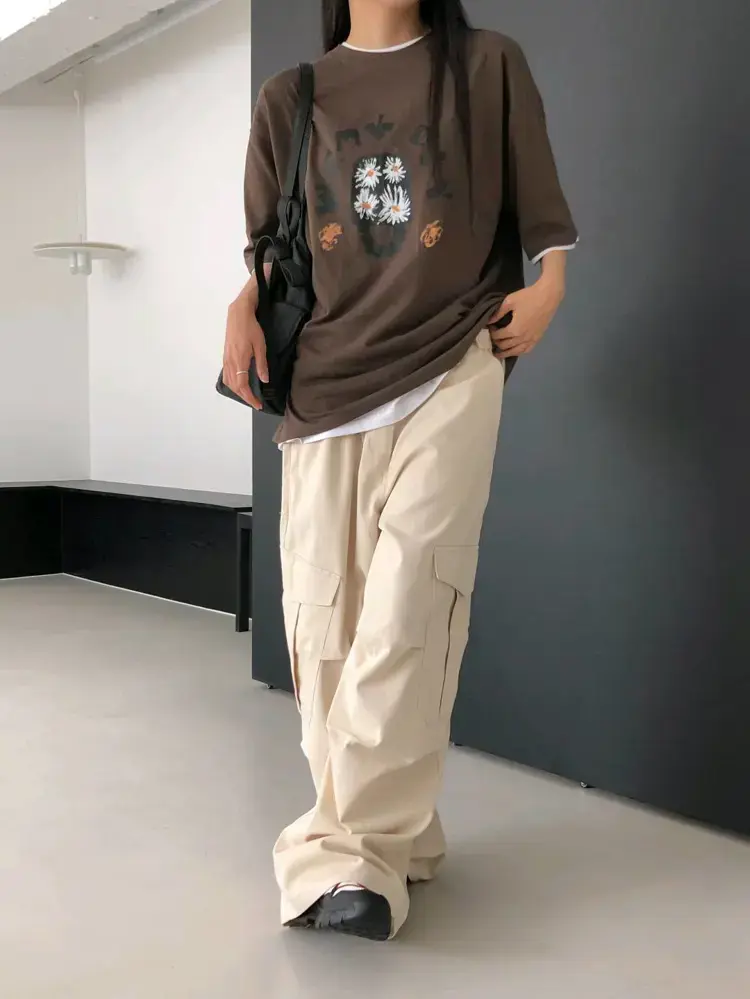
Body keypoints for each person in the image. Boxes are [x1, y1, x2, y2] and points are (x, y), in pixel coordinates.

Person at [222, 0, 577, 941]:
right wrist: (242, 304)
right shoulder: (291, 95)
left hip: (453, 360)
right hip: (326, 385)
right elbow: (275, 251)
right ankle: (395, 834)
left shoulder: (488, 66)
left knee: (413, 603)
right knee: (325, 624)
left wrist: (551, 286)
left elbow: (542, 214)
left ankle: (342, 858)